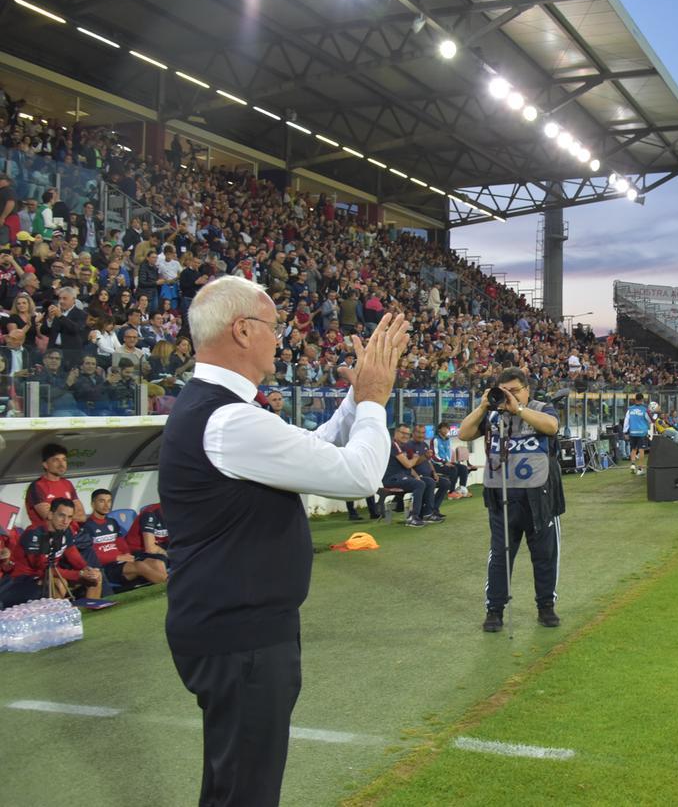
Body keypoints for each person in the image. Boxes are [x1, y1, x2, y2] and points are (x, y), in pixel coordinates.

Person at [158, 276, 408, 807]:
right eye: (275, 326)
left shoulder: (221, 410)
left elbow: (310, 450)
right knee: (246, 793)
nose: (285, 337)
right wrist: (373, 402)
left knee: (235, 784)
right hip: (240, 637)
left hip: (237, 630)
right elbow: (360, 476)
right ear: (243, 331)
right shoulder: (227, 420)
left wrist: (355, 397)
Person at [457, 367, 564, 633]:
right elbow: (464, 433)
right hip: (502, 495)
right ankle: (494, 610)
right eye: (505, 391)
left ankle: (545, 606)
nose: (509, 396)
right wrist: (484, 406)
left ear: (527, 389)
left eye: (515, 391)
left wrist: (518, 409)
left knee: (545, 555)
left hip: (540, 496)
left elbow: (551, 427)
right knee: (500, 557)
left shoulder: (542, 408)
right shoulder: (492, 413)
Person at [0, 498, 103, 608]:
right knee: (58, 583)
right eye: (61, 515)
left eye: (69, 517)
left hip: (49, 575)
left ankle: (90, 615)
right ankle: (55, 618)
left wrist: (86, 569)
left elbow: (72, 554)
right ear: (50, 515)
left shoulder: (65, 530)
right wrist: (79, 574)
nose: (65, 521)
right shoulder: (34, 534)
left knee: (96, 575)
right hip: (23, 579)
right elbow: (43, 567)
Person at [77, 489, 167, 592]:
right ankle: (171, 585)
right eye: (102, 501)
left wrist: (128, 555)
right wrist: (117, 557)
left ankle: (163, 594)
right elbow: (91, 555)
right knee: (140, 566)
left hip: (122, 562)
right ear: (93, 503)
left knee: (157, 562)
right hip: (107, 566)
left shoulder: (112, 522)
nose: (106, 505)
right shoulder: (87, 526)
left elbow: (122, 545)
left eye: (109, 501)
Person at [383, 424, 439, 526]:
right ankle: (413, 517)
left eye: (407, 434)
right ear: (396, 433)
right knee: (419, 484)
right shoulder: (393, 445)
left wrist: (417, 476)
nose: (405, 436)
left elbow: (409, 467)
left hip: (403, 476)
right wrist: (415, 458)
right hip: (391, 478)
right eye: (403, 433)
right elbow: (408, 464)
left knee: (429, 481)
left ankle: (427, 513)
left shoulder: (404, 446)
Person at [25, 442, 86, 527]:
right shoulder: (37, 486)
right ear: (45, 465)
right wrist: (71, 515)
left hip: (70, 536)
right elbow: (50, 518)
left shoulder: (67, 483)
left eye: (64, 459)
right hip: (45, 537)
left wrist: (60, 515)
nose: (61, 464)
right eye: (56, 460)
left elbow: (82, 516)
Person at [624, 392, 652, 475]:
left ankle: (632, 465)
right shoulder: (645, 409)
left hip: (632, 432)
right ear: (642, 400)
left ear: (635, 399)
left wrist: (625, 432)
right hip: (641, 432)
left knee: (633, 449)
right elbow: (650, 420)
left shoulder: (630, 409)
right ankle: (640, 469)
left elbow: (626, 421)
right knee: (641, 450)